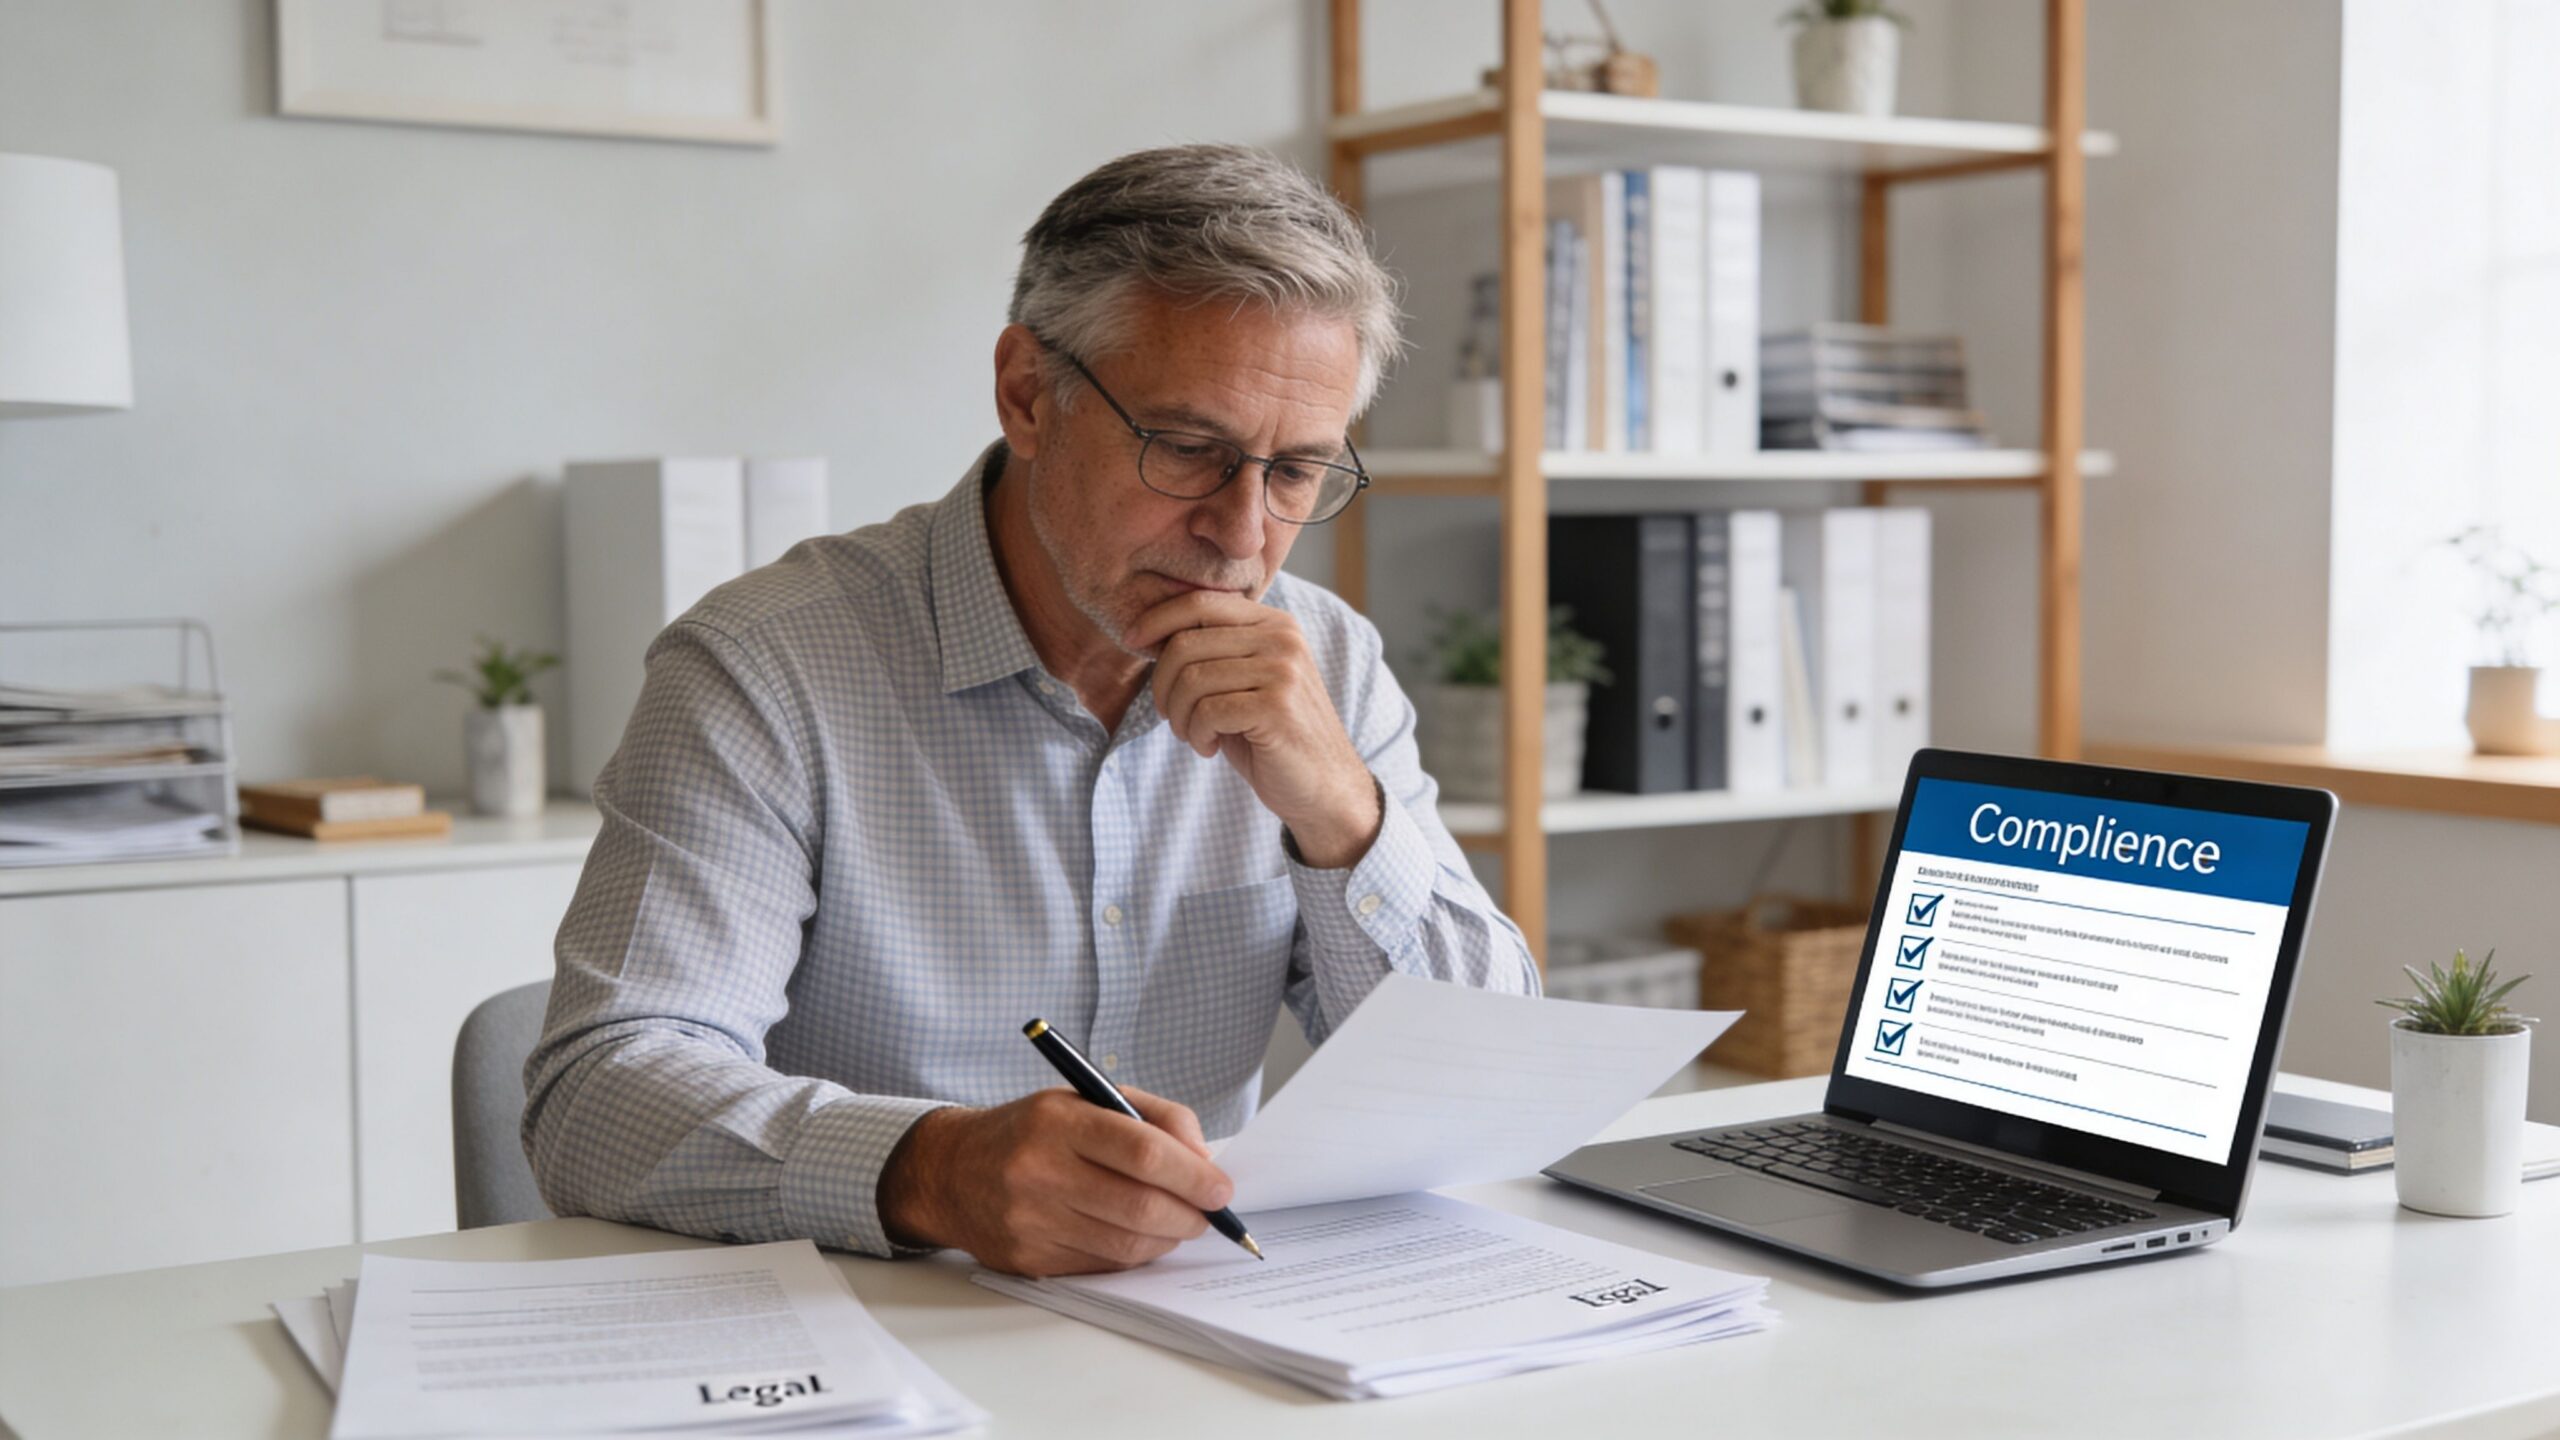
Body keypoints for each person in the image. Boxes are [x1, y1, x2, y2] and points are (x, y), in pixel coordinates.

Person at [523, 143, 1538, 1279]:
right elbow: (598, 1093)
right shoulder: (768, 666)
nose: (1245, 534)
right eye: (1188, 450)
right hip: (875, 1337)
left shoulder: (1330, 664)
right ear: (1027, 395)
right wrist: (930, 1171)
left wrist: (1343, 817)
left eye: (1296, 471)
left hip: (1212, 1335)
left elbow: (1492, 1082)